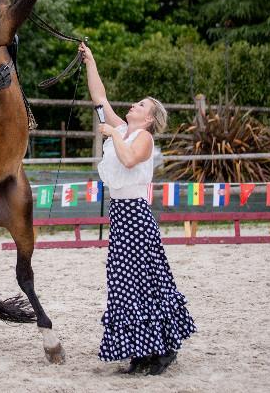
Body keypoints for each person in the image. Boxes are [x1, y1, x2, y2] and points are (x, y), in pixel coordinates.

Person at [80, 42, 196, 375]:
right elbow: (100, 98)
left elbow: (129, 159)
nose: (133, 104)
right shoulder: (122, 130)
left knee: (142, 281)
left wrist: (111, 134)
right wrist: (91, 61)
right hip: (121, 216)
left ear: (149, 118)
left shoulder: (141, 139)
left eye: (140, 104)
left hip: (136, 217)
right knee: (124, 283)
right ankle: (142, 350)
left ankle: (159, 350)